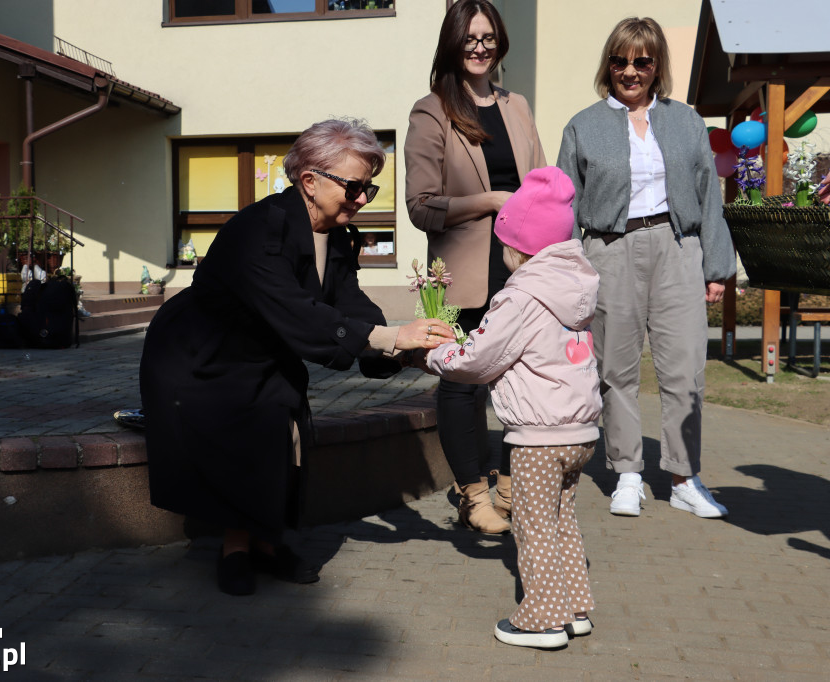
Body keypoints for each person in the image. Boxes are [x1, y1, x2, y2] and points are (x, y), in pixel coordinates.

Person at [140, 118, 455, 596]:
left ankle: (266, 542)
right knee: (254, 422)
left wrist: (402, 352)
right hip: (199, 356)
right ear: (310, 181)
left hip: (261, 348)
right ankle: (237, 549)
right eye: (354, 187)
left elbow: (349, 304)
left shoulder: (341, 236)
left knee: (284, 424)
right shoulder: (259, 228)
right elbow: (296, 312)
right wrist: (391, 338)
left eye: (368, 189)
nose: (362, 199)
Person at [557, 17, 736, 519]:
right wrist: (569, 266)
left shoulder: (686, 121)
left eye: (642, 61)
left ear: (657, 66)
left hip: (679, 247)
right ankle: (628, 474)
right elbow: (565, 204)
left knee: (685, 369)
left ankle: (683, 477)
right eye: (620, 60)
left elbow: (709, 198)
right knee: (615, 370)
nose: (630, 71)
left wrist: (717, 268)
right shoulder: (583, 125)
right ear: (608, 64)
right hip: (609, 250)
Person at [418, 167, 602, 649]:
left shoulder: (521, 296)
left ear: (519, 245)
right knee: (563, 520)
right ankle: (574, 607)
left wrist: (438, 356)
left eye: (503, 243)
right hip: (580, 432)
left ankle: (542, 620)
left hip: (539, 436)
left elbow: (481, 357)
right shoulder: (574, 287)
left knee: (533, 525)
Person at [405, 0, 547, 534]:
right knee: (464, 384)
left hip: (521, 268)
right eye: (470, 37)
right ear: (453, 44)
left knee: (523, 375)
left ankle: (509, 484)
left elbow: (541, 185)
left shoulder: (518, 106)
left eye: (488, 36)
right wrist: (489, 202)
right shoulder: (431, 110)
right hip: (465, 272)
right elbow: (421, 205)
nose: (480, 46)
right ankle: (472, 493)